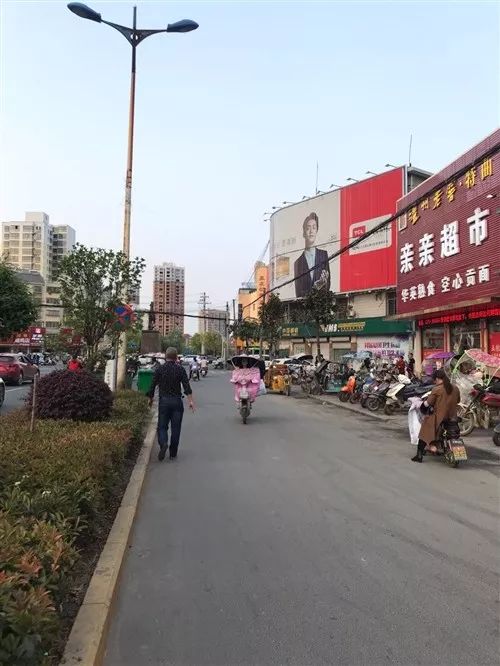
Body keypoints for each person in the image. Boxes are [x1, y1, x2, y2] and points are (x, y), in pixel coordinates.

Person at [147, 347, 195, 461]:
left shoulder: (160, 369)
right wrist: (191, 401)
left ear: (165, 356)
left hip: (164, 402)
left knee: (162, 426)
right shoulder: (180, 369)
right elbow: (186, 386)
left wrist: (150, 399)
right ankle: (173, 453)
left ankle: (163, 443)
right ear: (176, 357)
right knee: (176, 428)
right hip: (177, 402)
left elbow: (152, 386)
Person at [411, 369, 460, 463]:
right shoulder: (455, 388)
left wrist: (422, 405)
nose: (434, 382)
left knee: (424, 432)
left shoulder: (437, 389)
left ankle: (419, 455)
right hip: (453, 417)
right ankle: (436, 447)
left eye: (434, 380)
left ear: (437, 379)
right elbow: (457, 401)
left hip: (439, 418)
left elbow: (428, 403)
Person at [294, 212, 331, 298]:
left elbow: (328, 285)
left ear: (317, 231)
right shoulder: (298, 263)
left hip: (321, 305)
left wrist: (323, 284)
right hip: (305, 308)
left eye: (314, 228)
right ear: (303, 232)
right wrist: (315, 287)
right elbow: (299, 293)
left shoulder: (324, 255)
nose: (311, 231)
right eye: (308, 228)